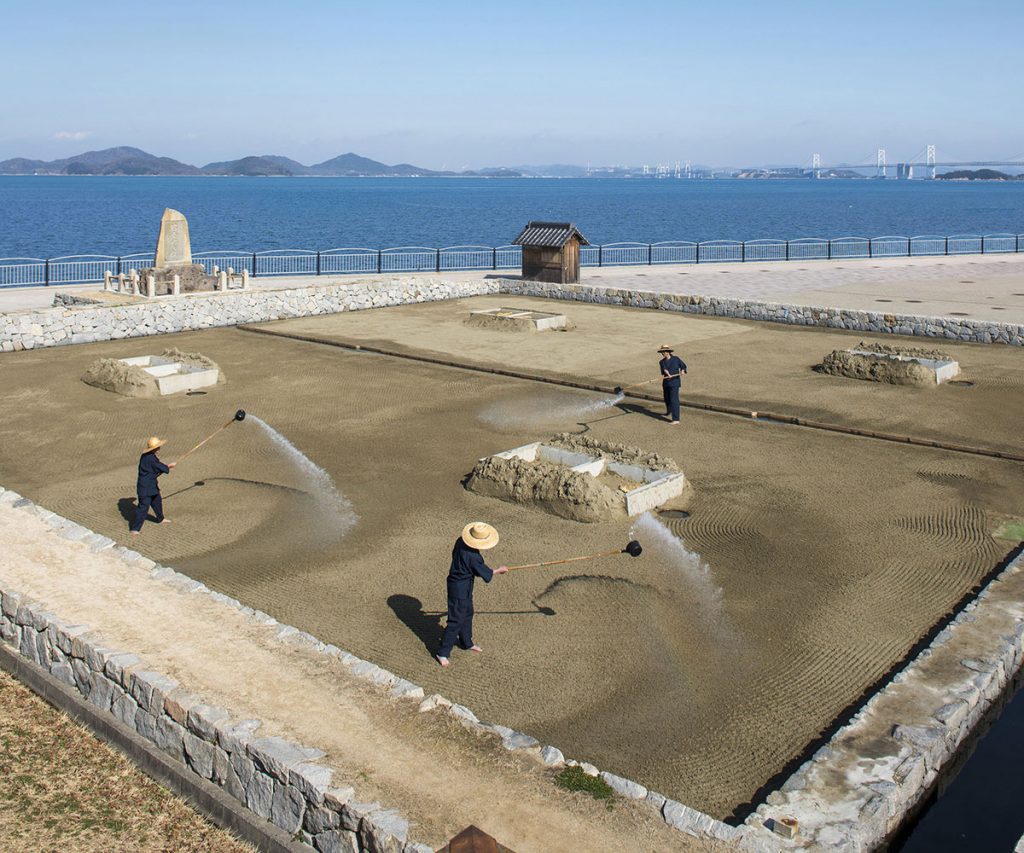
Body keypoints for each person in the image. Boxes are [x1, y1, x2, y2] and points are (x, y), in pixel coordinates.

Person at [436, 522, 508, 668]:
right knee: (456, 620)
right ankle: (442, 652)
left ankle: (466, 642)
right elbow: (485, 572)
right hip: (459, 588)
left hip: (464, 584)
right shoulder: (473, 557)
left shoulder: (460, 541)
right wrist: (499, 570)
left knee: (468, 613)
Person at [130, 436, 176, 534]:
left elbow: (156, 468)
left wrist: (164, 468)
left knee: (157, 502)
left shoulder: (148, 455)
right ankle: (135, 529)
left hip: (151, 485)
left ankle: (160, 518)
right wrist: (169, 466)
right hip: (145, 487)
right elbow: (159, 467)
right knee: (143, 507)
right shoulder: (150, 458)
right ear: (155, 448)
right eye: (158, 446)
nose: (159, 448)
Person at [657, 344, 688, 425]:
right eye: (662, 352)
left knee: (674, 400)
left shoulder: (676, 359)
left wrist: (682, 371)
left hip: (675, 383)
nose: (663, 353)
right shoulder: (661, 362)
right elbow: (664, 370)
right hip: (666, 382)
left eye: (664, 352)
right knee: (666, 399)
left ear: (668, 352)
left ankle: (676, 419)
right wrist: (668, 373)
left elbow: (683, 366)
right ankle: (669, 411)